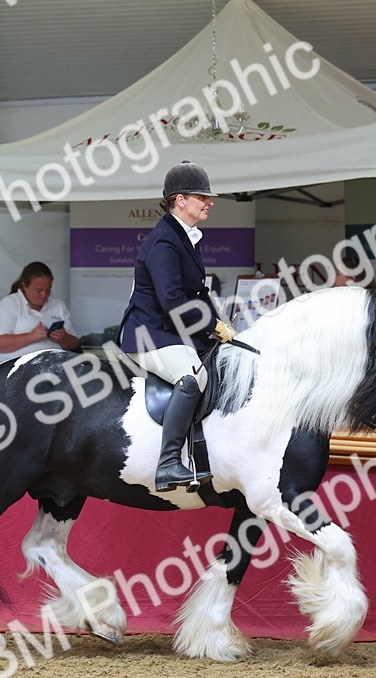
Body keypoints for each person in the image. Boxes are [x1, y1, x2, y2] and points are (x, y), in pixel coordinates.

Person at [118, 161, 236, 492]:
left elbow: (197, 293)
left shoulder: (186, 238)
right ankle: (168, 463)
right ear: (180, 200)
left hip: (170, 332)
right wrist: (210, 325)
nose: (210, 202)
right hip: (148, 335)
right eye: (203, 197)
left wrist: (220, 330)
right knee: (192, 377)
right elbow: (171, 299)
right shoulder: (164, 241)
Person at [0, 261, 79, 365]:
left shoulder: (58, 305)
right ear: (25, 286)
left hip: (54, 368)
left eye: (48, 290)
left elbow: (74, 345)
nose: (44, 295)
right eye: (38, 291)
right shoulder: (9, 304)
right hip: (16, 368)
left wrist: (63, 337)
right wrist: (32, 336)